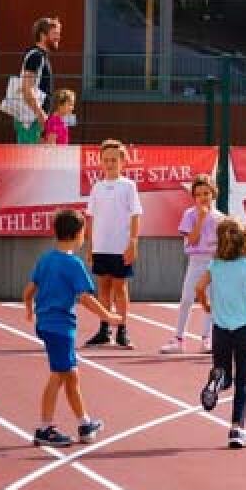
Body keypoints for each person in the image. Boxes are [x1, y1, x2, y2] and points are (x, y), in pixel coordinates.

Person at [23, 209, 120, 446]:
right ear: (78, 234)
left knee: (71, 374)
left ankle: (84, 423)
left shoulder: (46, 259)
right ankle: (44, 428)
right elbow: (85, 297)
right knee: (58, 375)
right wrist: (108, 316)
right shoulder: (73, 264)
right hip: (60, 328)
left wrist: (29, 310)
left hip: (46, 324)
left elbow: (29, 290)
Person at [196, 220, 246, 449]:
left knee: (225, 375)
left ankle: (217, 382)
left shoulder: (215, 265)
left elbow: (199, 287)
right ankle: (236, 430)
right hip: (243, 329)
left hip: (220, 329)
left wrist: (206, 304)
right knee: (242, 381)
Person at [83, 139, 142, 349]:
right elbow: (91, 217)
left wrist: (133, 242)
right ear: (100, 162)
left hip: (120, 247)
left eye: (113, 160)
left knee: (120, 287)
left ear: (122, 162)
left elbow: (135, 215)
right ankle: (104, 329)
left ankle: (122, 330)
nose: (109, 164)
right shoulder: (97, 187)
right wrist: (90, 246)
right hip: (101, 247)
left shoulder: (128, 186)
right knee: (103, 288)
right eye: (106, 160)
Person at [161, 174, 223, 353]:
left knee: (211, 301)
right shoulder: (189, 215)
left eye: (206, 193)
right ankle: (178, 339)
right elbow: (193, 240)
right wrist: (201, 219)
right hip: (196, 262)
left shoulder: (220, 218)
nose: (203, 198)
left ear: (213, 194)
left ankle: (206, 339)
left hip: (214, 263)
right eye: (198, 194)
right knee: (187, 298)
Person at [17, 16, 61, 144]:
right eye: (55, 33)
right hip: (31, 119)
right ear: (43, 35)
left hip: (35, 119)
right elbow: (27, 88)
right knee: (27, 156)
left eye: (59, 34)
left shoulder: (40, 56)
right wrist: (41, 114)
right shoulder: (36, 56)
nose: (58, 37)